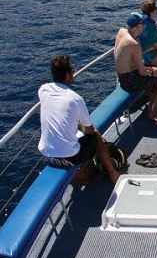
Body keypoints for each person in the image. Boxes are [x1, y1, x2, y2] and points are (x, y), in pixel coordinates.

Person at [38, 55, 122, 183]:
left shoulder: (43, 89)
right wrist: (79, 125)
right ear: (67, 75)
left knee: (77, 137)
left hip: (47, 153)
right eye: (72, 70)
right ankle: (112, 173)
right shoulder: (75, 98)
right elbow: (89, 131)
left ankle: (83, 172)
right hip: (69, 156)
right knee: (97, 137)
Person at [115, 11, 157, 123]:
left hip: (123, 76)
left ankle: (152, 106)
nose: (144, 25)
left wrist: (151, 72)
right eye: (143, 23)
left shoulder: (122, 32)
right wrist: (148, 72)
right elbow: (142, 73)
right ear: (137, 26)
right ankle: (153, 114)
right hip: (131, 81)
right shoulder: (134, 44)